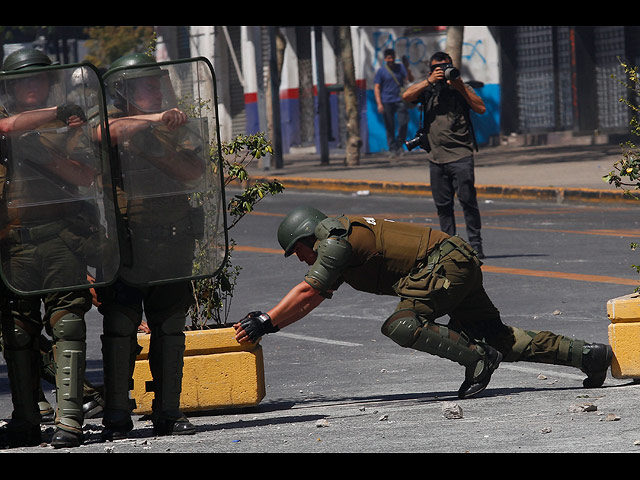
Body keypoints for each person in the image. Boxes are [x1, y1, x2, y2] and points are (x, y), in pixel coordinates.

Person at [234, 206, 613, 399]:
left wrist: (265, 321)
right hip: (455, 263)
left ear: (305, 237)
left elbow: (308, 291)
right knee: (496, 337)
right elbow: (312, 299)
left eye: (296, 251)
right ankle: (589, 356)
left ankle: (478, 359)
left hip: (443, 268)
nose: (299, 258)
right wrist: (275, 322)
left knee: (402, 323)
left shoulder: (332, 241)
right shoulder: (340, 236)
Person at [95, 53, 206, 441]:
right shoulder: (114, 121)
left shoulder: (176, 125)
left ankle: (168, 410)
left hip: (172, 238)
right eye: (146, 84)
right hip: (125, 242)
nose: (156, 90)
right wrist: (154, 122)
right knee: (120, 324)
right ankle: (116, 412)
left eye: (157, 83)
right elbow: (104, 134)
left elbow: (195, 172)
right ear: (123, 90)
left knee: (171, 325)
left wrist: (164, 141)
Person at [0, 48, 99, 448]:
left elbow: (87, 175)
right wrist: (53, 115)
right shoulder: (38, 117)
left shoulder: (70, 125)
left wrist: (41, 149)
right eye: (24, 80)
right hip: (14, 243)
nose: (31, 86)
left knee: (68, 324)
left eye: (38, 79)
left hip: (61, 236)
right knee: (17, 331)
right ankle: (25, 418)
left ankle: (70, 419)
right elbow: (5, 129)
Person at [403, 51, 485, 258]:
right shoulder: (428, 90)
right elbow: (406, 96)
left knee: (468, 201)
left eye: (446, 66)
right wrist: (428, 82)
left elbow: (481, 108)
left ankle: (476, 244)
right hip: (436, 157)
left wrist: (459, 86)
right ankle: (449, 246)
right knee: (443, 206)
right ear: (431, 70)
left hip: (461, 155)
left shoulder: (460, 88)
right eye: (437, 68)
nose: (442, 71)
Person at [374, 49, 414, 156]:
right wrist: (379, 103)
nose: (390, 60)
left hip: (400, 100)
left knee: (403, 123)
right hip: (387, 101)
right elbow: (377, 87)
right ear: (385, 59)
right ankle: (392, 148)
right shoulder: (381, 71)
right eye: (388, 58)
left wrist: (407, 67)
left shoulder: (400, 67)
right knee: (390, 126)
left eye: (392, 57)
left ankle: (400, 145)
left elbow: (410, 79)